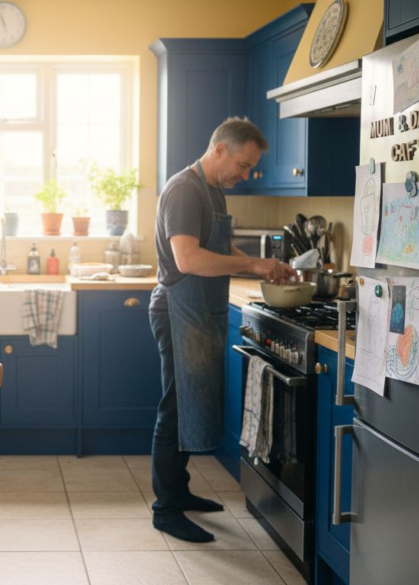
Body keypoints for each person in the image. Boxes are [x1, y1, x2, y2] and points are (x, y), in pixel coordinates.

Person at [149, 117, 294, 543]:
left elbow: (216, 247)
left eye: (250, 168)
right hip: (178, 308)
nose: (245, 175)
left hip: (199, 309)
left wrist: (261, 263)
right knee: (175, 408)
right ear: (220, 150)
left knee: (191, 402)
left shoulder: (211, 190)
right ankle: (166, 508)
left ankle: (181, 491)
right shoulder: (184, 190)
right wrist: (251, 264)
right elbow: (189, 260)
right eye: (244, 165)